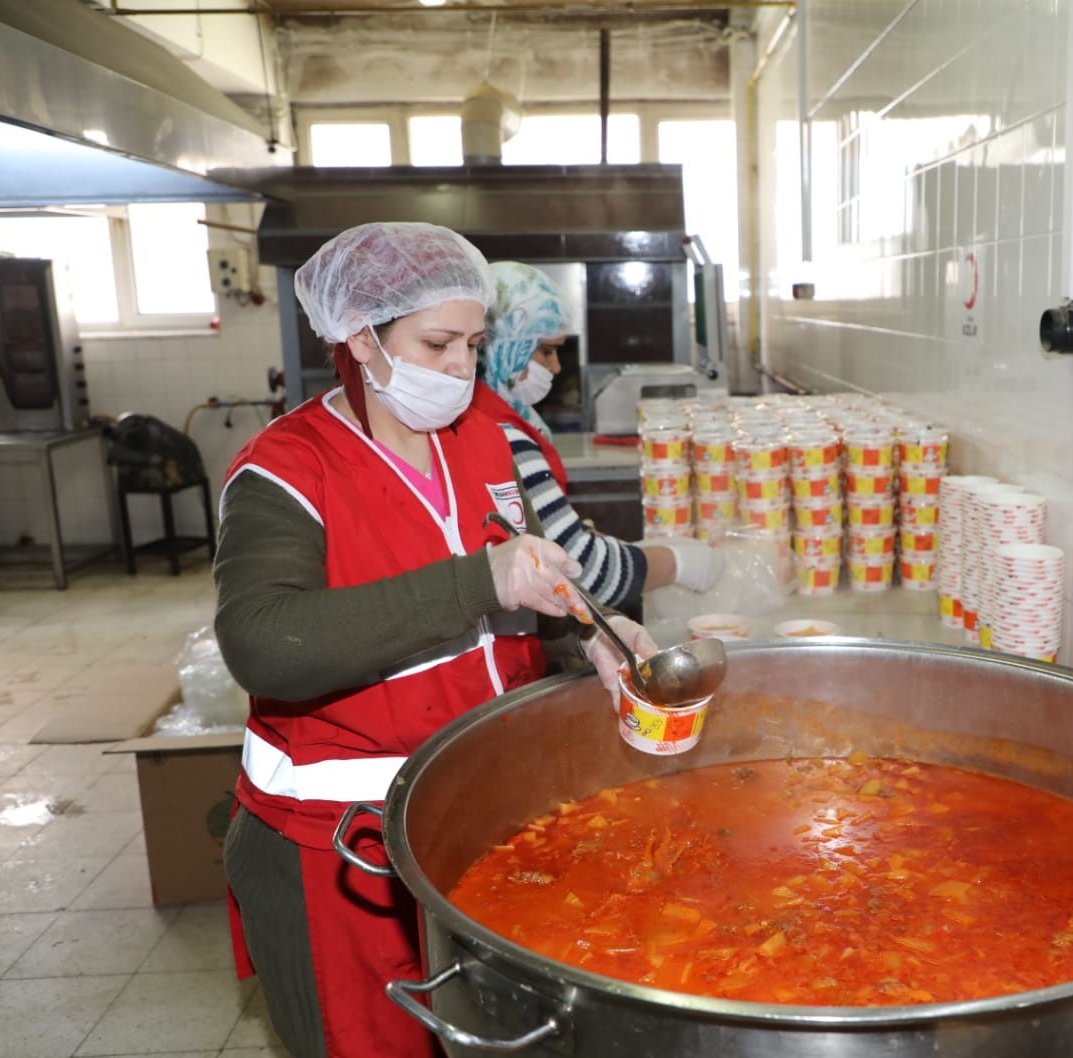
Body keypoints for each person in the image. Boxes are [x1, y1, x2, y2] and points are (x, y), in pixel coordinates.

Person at [211, 221, 657, 1058]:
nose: (462, 365)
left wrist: (589, 635)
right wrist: (478, 578)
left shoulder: (483, 443)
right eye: (437, 342)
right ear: (360, 337)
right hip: (337, 851)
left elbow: (512, 611)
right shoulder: (287, 470)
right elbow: (263, 642)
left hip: (475, 820)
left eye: (476, 342)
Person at [474, 259, 724, 604]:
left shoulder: (490, 417)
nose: (556, 367)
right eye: (546, 351)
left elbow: (548, 536)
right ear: (505, 346)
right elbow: (582, 572)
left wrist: (602, 544)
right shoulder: (499, 435)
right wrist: (678, 563)